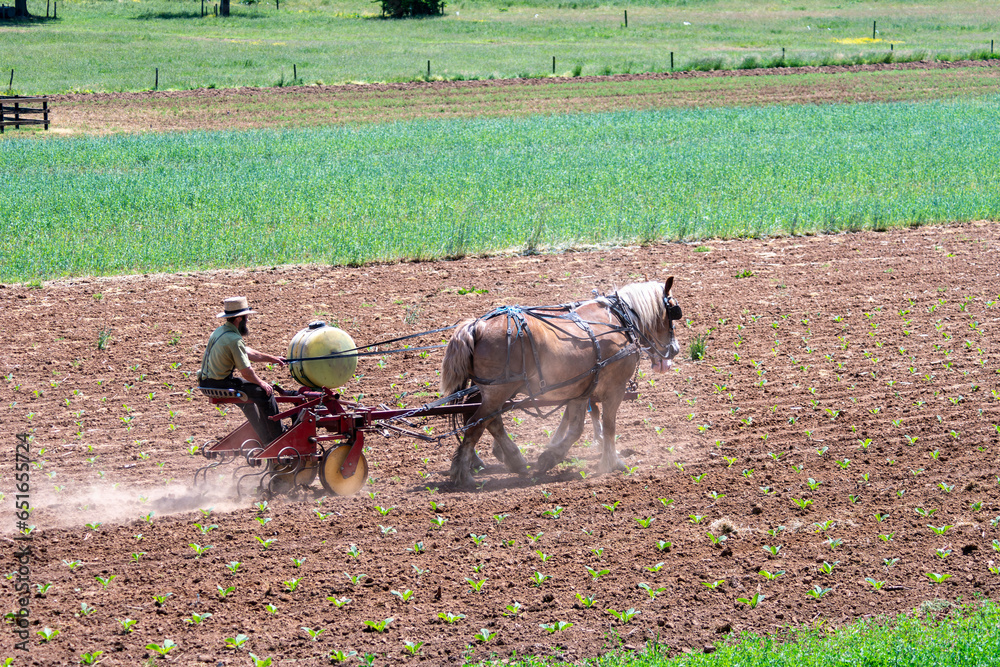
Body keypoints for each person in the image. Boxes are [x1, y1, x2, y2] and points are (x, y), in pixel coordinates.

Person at [198, 296, 286, 445]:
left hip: (206, 382)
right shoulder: (234, 339)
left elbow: (247, 352)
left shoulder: (221, 331)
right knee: (265, 393)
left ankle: (267, 440)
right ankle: (279, 437)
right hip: (221, 383)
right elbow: (246, 372)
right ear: (239, 318)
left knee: (248, 402)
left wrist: (272, 358)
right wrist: (262, 383)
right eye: (246, 318)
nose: (247, 321)